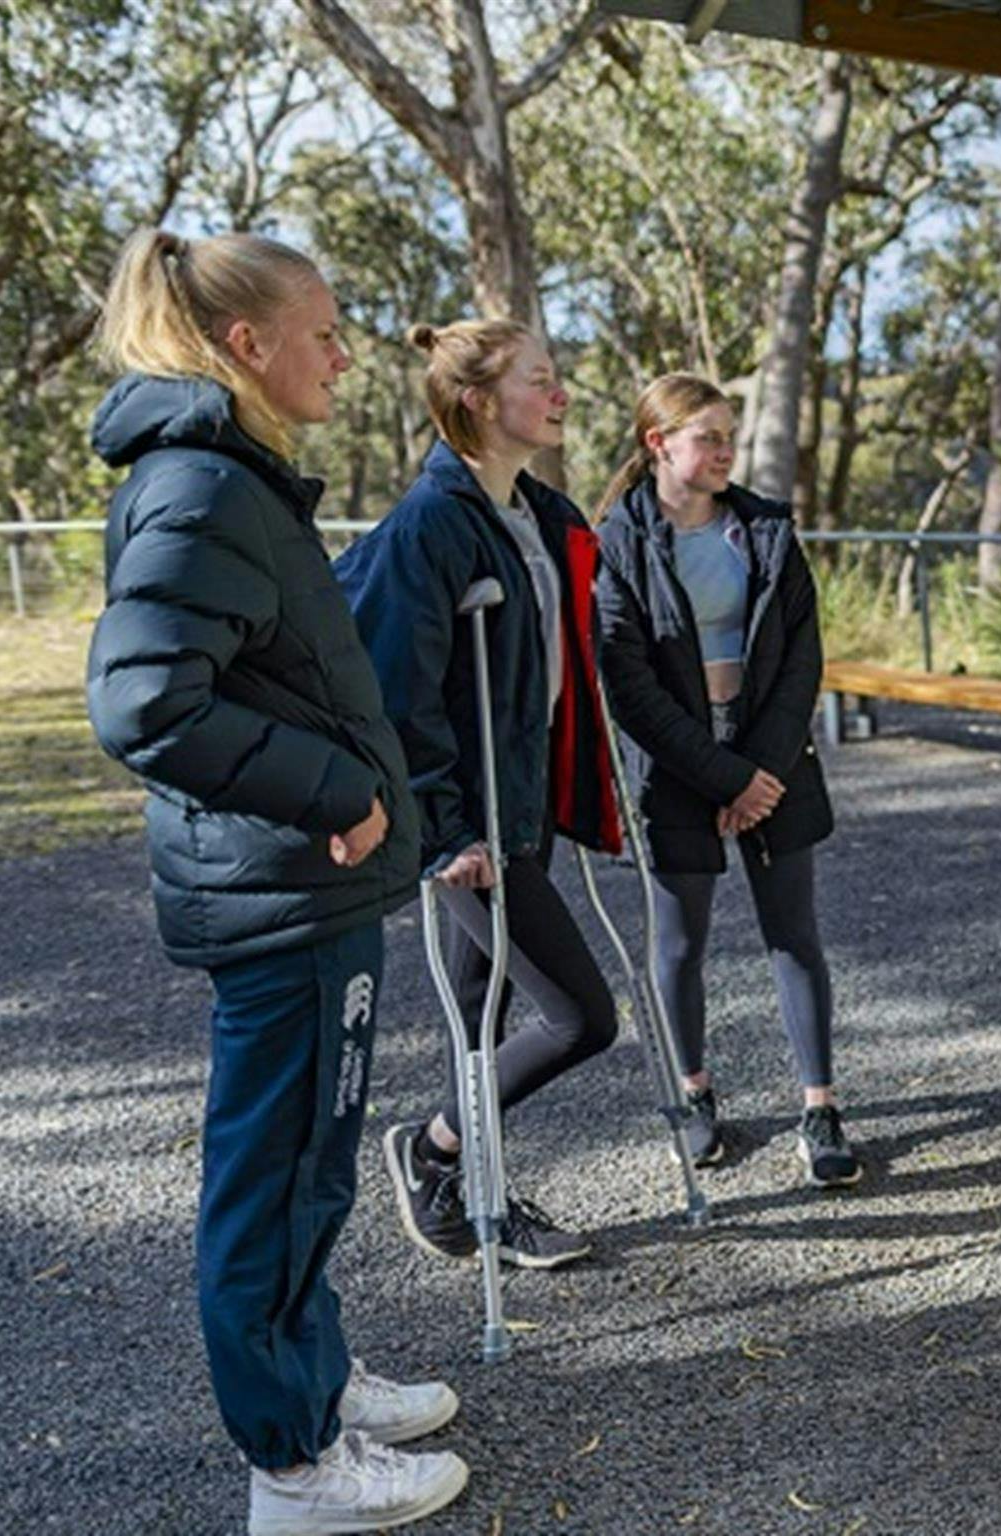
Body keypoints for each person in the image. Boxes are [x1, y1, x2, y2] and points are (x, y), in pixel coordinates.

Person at [84, 229, 467, 1534]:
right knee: (275, 1169)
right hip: (283, 886)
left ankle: (312, 1385)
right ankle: (293, 1468)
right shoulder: (199, 481)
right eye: (325, 331)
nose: (346, 355)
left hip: (301, 891)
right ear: (247, 346)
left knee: (308, 1160)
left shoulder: (227, 476)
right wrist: (337, 791)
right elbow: (142, 702)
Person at [334, 320, 622, 1270]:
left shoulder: (538, 516)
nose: (562, 394)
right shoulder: (431, 525)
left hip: (521, 805)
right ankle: (433, 1149)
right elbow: (398, 690)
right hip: (467, 824)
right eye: (541, 380)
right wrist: (446, 827)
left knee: (480, 1021)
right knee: (581, 1016)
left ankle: (471, 1197)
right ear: (477, 401)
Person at [592, 373, 856, 1188]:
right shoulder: (618, 541)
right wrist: (719, 777)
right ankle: (694, 1096)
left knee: (795, 936)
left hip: (774, 762)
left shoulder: (765, 529)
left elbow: (802, 655)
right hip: (677, 771)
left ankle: (820, 1108)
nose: (725, 453)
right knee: (679, 945)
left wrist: (761, 773)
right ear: (657, 444)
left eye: (727, 437)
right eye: (707, 437)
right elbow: (625, 682)